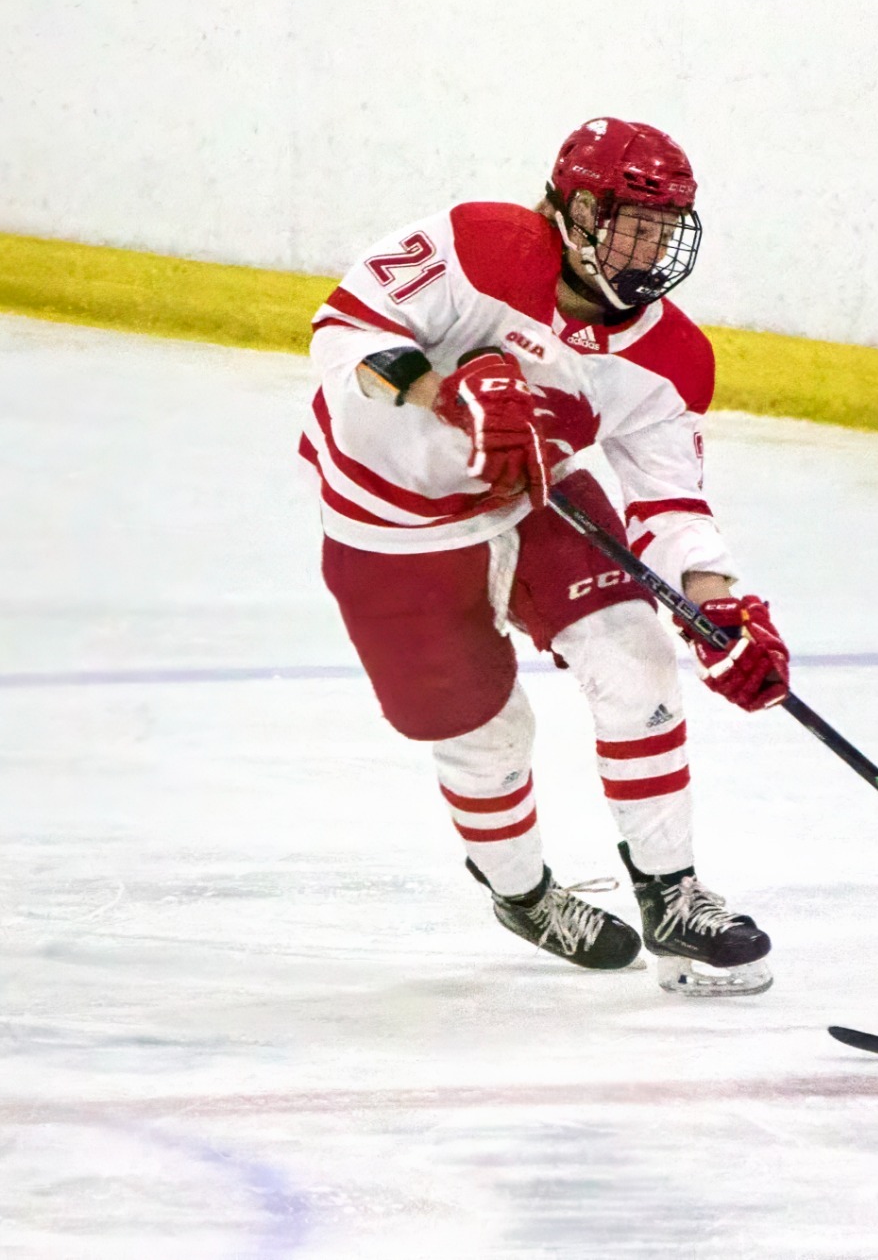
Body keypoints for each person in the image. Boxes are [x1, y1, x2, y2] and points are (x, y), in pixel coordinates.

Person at [298, 117, 787, 996]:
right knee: (487, 735)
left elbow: (670, 503)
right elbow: (344, 332)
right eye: (626, 218)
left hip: (532, 493)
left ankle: (672, 895)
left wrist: (718, 606)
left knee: (637, 655)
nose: (646, 244)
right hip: (390, 516)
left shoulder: (671, 358)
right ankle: (523, 893)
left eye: (663, 225)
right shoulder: (475, 245)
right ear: (569, 207)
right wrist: (442, 389)